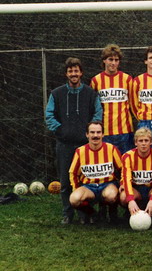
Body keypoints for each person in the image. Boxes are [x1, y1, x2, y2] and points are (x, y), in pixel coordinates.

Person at [45, 57, 103, 225]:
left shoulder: (91, 93)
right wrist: (61, 130)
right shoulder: (57, 93)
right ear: (66, 74)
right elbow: (49, 116)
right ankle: (67, 214)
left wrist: (90, 133)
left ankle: (86, 214)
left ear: (81, 73)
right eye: (70, 71)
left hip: (86, 146)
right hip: (65, 145)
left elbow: (98, 114)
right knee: (65, 182)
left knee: (87, 181)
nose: (74, 74)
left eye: (76, 70)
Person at [68, 121, 123, 224]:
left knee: (111, 196)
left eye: (98, 132)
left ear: (103, 134)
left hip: (108, 184)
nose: (95, 135)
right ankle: (92, 213)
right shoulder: (80, 151)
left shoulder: (111, 149)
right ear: (87, 134)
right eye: (92, 132)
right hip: (89, 186)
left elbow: (122, 169)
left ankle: (111, 213)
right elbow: (73, 172)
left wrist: (122, 184)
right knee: (74, 199)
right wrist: (76, 188)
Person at [90, 44, 135, 154]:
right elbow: (93, 107)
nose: (113, 63)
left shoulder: (127, 79)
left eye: (116, 60)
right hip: (105, 132)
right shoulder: (96, 81)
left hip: (125, 131)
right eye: (110, 59)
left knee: (126, 165)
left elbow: (133, 104)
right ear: (104, 60)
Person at [119, 127, 152, 219]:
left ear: (151, 142)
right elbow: (126, 179)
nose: (143, 144)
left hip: (150, 188)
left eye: (146, 140)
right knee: (123, 197)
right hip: (135, 188)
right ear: (136, 142)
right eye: (140, 141)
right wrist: (131, 200)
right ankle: (131, 210)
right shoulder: (127, 156)